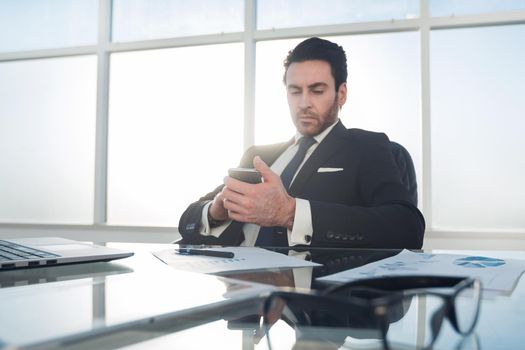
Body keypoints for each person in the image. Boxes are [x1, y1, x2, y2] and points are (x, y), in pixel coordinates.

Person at [178, 37, 425, 248]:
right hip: (235, 284)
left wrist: (290, 213)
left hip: (308, 293)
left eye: (317, 90)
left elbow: (407, 228)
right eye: (295, 91)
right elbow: (186, 221)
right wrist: (216, 211)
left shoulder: (367, 147)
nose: (304, 103)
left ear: (341, 94)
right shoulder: (259, 156)